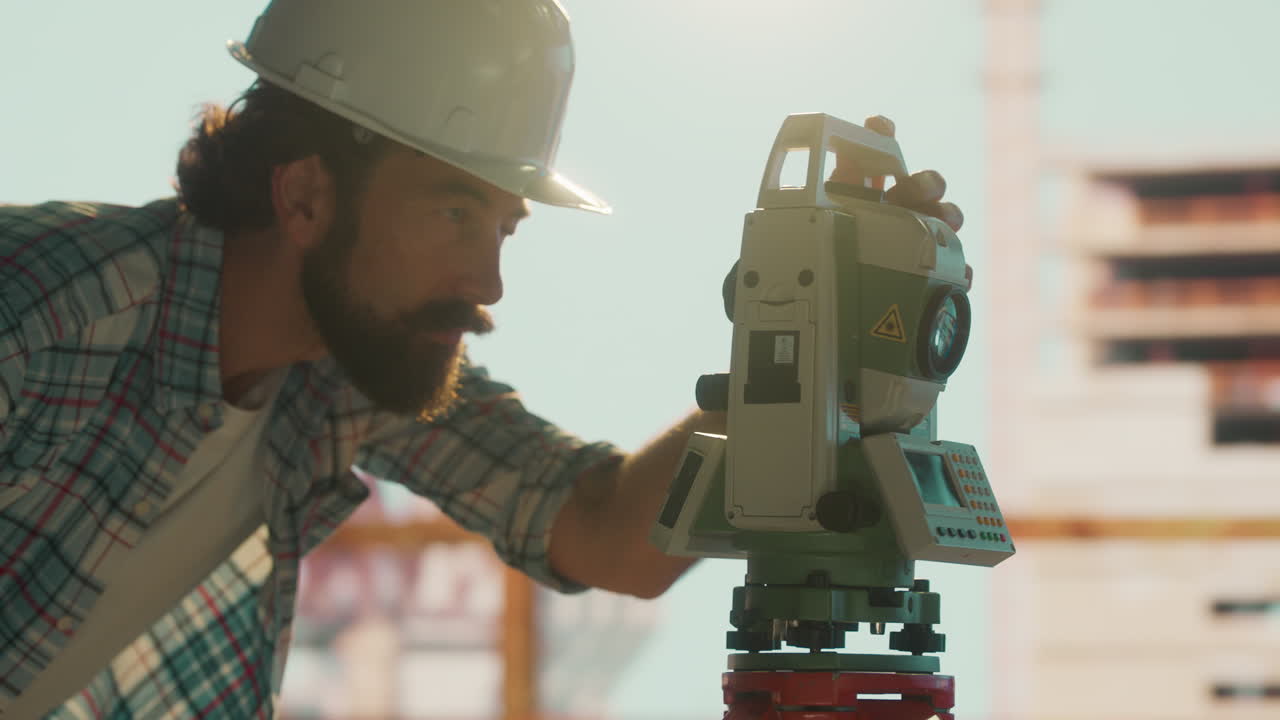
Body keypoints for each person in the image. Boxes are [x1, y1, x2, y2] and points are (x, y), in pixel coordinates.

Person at [0, 1, 963, 717]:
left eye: (504, 227)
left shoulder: (343, 373)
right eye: (455, 211)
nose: (489, 281)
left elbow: (607, 534)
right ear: (303, 199)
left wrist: (819, 329)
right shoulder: (40, 309)